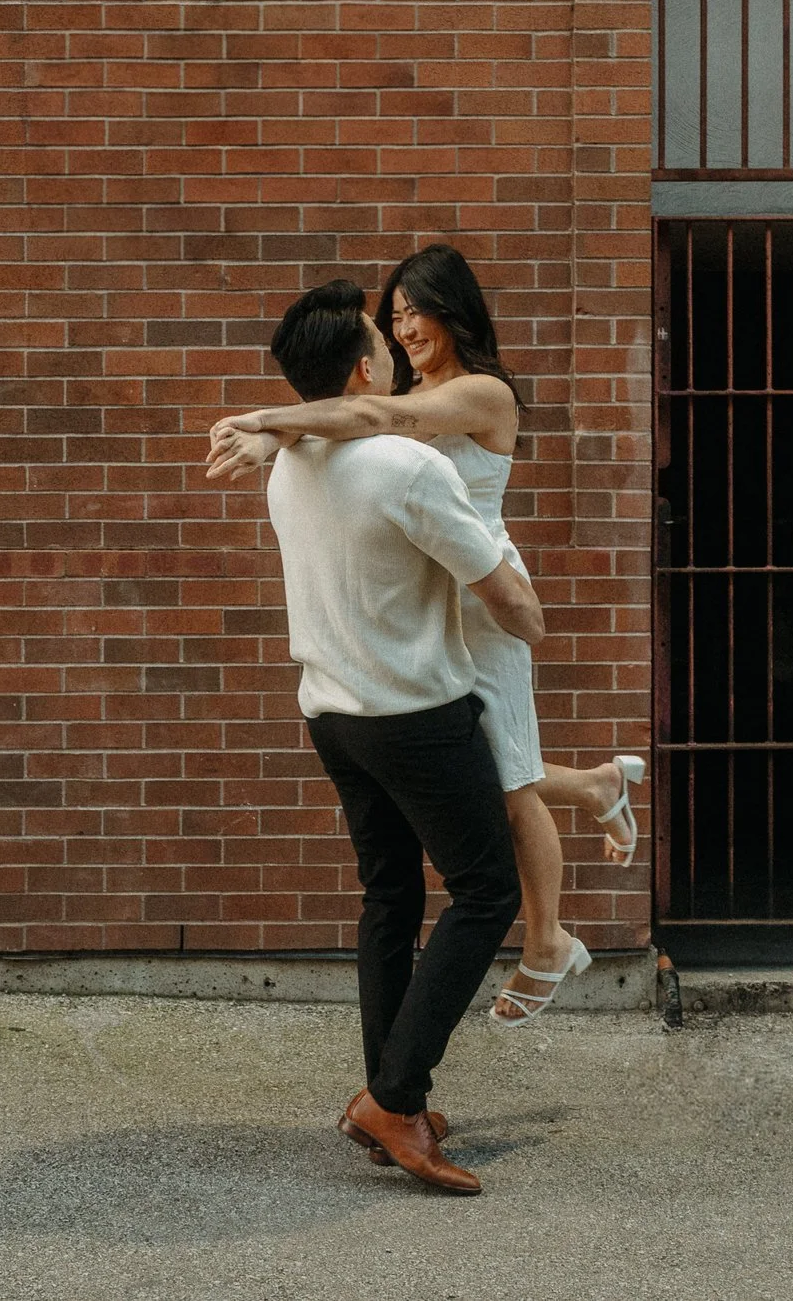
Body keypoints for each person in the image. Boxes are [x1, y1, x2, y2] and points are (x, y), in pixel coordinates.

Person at [208, 244, 645, 1027]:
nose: (405, 326)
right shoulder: (399, 387)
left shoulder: (481, 393)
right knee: (479, 771)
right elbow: (346, 416)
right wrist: (279, 440)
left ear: (455, 310)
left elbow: (370, 415)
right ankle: (594, 786)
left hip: (484, 596)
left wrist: (266, 420)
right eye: (395, 314)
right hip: (425, 598)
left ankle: (546, 939)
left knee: (507, 786)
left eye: (417, 310)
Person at [247, 277, 545, 1195]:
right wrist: (527, 615)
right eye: (384, 334)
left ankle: (390, 1094)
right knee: (487, 890)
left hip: (332, 715)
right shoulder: (408, 468)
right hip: (415, 714)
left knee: (388, 897)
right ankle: (395, 1096)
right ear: (366, 367)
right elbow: (504, 595)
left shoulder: (288, 466)